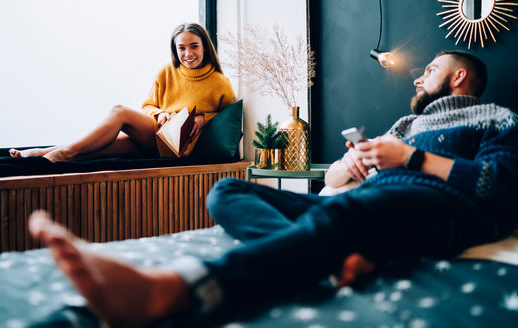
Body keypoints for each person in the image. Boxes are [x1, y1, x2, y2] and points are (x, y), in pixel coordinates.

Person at [29, 51, 518, 327]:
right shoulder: (405, 122)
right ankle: (329, 262)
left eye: (429, 68)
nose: (419, 74)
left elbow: (500, 189)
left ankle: (176, 290)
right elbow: (330, 183)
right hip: (373, 198)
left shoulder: (497, 118)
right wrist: (355, 165)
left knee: (341, 216)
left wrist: (409, 158)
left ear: (458, 76)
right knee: (227, 193)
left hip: (435, 205)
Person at [10, 23, 236, 162]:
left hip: (176, 146)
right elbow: (147, 106)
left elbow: (228, 118)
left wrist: (203, 118)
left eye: (194, 46)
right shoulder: (167, 71)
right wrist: (159, 114)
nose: (188, 53)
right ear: (175, 50)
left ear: (205, 46)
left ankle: (63, 153)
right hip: (155, 133)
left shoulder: (219, 82)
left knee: (119, 112)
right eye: (182, 48)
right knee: (100, 148)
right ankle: (42, 153)